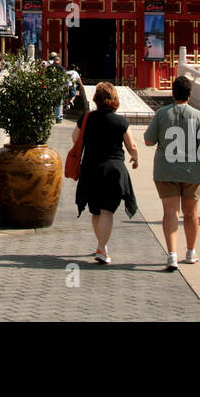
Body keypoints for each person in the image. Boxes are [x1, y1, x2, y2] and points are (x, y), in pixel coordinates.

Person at [144, 75, 200, 271]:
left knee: (170, 212)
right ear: (190, 95)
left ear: (172, 93)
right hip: (192, 171)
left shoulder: (161, 114)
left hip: (166, 170)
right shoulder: (198, 116)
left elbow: (148, 141)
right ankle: (191, 251)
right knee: (191, 213)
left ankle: (171, 254)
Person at [71, 81, 139, 265]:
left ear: (96, 99)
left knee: (95, 210)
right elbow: (131, 145)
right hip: (113, 169)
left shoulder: (86, 118)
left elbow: (75, 138)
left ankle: (101, 246)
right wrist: (135, 157)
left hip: (91, 167)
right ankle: (102, 247)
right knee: (107, 210)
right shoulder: (121, 121)